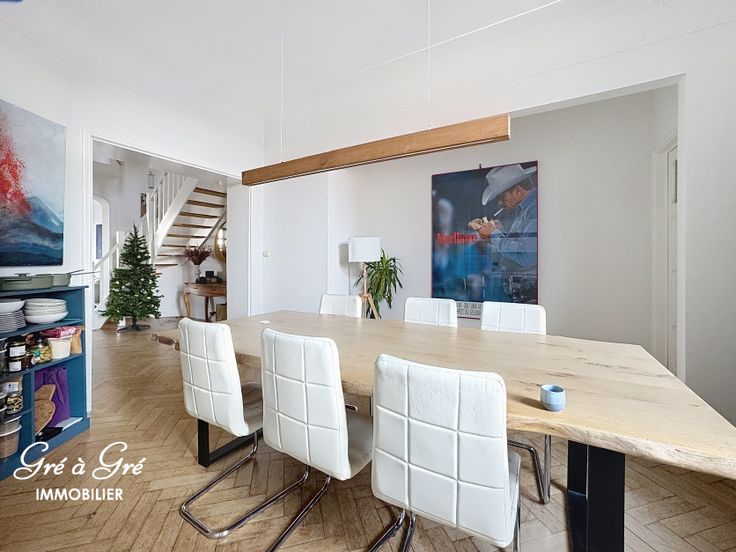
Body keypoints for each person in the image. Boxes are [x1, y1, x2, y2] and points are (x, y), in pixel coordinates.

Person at [475, 163, 538, 301]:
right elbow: (522, 243)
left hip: (531, 296)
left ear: (517, 191)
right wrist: (501, 232)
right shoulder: (526, 209)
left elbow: (528, 255)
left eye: (502, 197)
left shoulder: (534, 209)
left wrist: (494, 234)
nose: (500, 203)